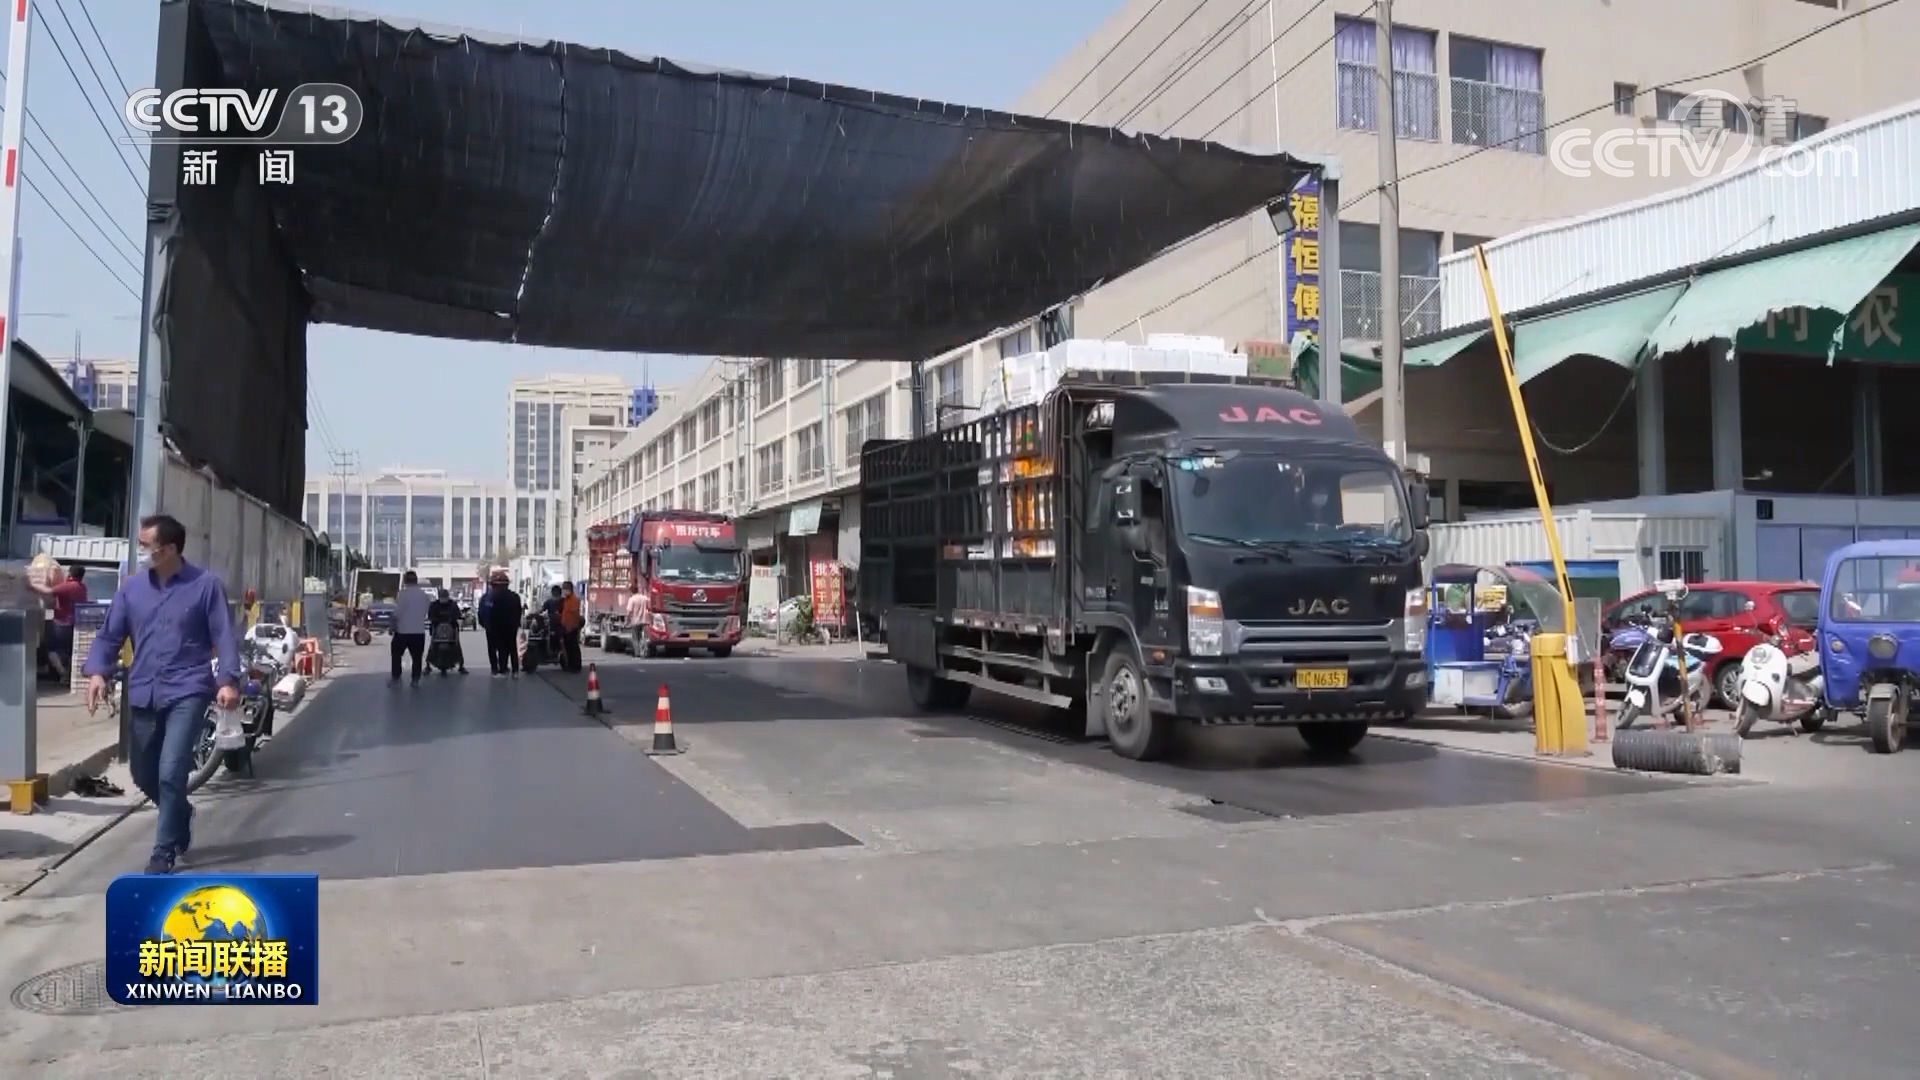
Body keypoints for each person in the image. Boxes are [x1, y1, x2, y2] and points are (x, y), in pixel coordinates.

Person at [82, 514, 241, 876]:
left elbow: (224, 635)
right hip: (144, 689)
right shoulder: (131, 589)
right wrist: (98, 672)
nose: (139, 551)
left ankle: (163, 851)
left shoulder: (206, 586)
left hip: (189, 688)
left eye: (145, 545)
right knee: (143, 773)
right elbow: (109, 635)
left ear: (168, 549)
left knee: (171, 771)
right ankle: (180, 813)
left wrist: (227, 681)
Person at [30, 563, 88, 680]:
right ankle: (69, 673)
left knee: (52, 650)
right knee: (70, 650)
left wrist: (32, 585)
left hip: (62, 623)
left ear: (70, 574)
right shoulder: (82, 587)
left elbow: (47, 591)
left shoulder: (68, 586)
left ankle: (63, 673)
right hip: (73, 623)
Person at [390, 570, 430, 685]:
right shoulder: (424, 595)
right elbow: (426, 611)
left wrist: (392, 625)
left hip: (402, 631)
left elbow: (398, 612)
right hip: (418, 631)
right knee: (417, 657)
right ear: (416, 581)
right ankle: (415, 679)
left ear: (405, 581)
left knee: (396, 654)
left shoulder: (403, 594)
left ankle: (396, 677)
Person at [483, 574, 524, 676]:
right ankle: (510, 669)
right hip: (509, 627)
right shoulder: (514, 597)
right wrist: (516, 624)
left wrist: (485, 624)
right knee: (510, 648)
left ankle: (495, 669)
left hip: (493, 627)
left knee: (493, 648)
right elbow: (518, 612)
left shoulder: (488, 597)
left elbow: (483, 612)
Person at [428, 588, 468, 674]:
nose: (443, 599)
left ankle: (461, 665)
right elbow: (430, 615)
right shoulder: (434, 605)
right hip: (437, 628)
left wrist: (456, 618)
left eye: (444, 596)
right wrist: (435, 620)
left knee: (457, 645)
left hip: (451, 628)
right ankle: (428, 665)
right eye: (442, 596)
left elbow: (458, 614)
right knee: (432, 645)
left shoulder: (452, 604)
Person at [558, 582, 584, 672]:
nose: (564, 591)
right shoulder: (566, 600)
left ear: (569, 589)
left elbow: (573, 616)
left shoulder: (574, 600)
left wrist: (571, 627)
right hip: (566, 627)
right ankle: (570, 665)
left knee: (573, 648)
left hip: (571, 628)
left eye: (565, 589)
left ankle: (575, 666)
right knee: (568, 648)